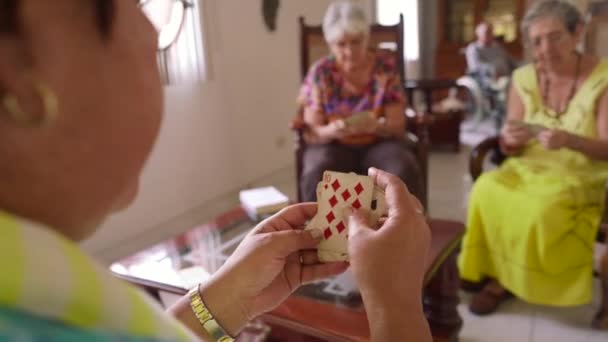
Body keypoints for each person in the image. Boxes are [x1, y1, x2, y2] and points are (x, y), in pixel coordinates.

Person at [0, 1, 432, 341]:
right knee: (322, 164)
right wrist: (396, 305)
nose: (154, 31)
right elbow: (313, 125)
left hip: (377, 146)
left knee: (397, 159)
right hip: (335, 147)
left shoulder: (45, 304)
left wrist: (224, 301)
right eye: (133, 2)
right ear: (15, 82)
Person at [458, 0, 608, 330]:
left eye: (555, 37)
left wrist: (570, 140)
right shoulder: (523, 77)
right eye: (537, 41)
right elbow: (512, 140)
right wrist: (510, 139)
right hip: (528, 166)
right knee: (486, 187)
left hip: (580, 172)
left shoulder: (603, 78)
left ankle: (524, 281)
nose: (545, 49)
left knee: (542, 208)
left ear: (577, 32)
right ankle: (498, 276)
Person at [296, 1, 424, 205]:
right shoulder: (321, 72)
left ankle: (403, 231)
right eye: (341, 44)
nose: (349, 51)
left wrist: (378, 126)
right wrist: (332, 130)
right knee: (317, 172)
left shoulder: (385, 69)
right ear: (330, 44)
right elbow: (313, 131)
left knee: (401, 167)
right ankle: (319, 234)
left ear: (367, 38)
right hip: (334, 144)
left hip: (379, 142)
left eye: (356, 42)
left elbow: (398, 125)